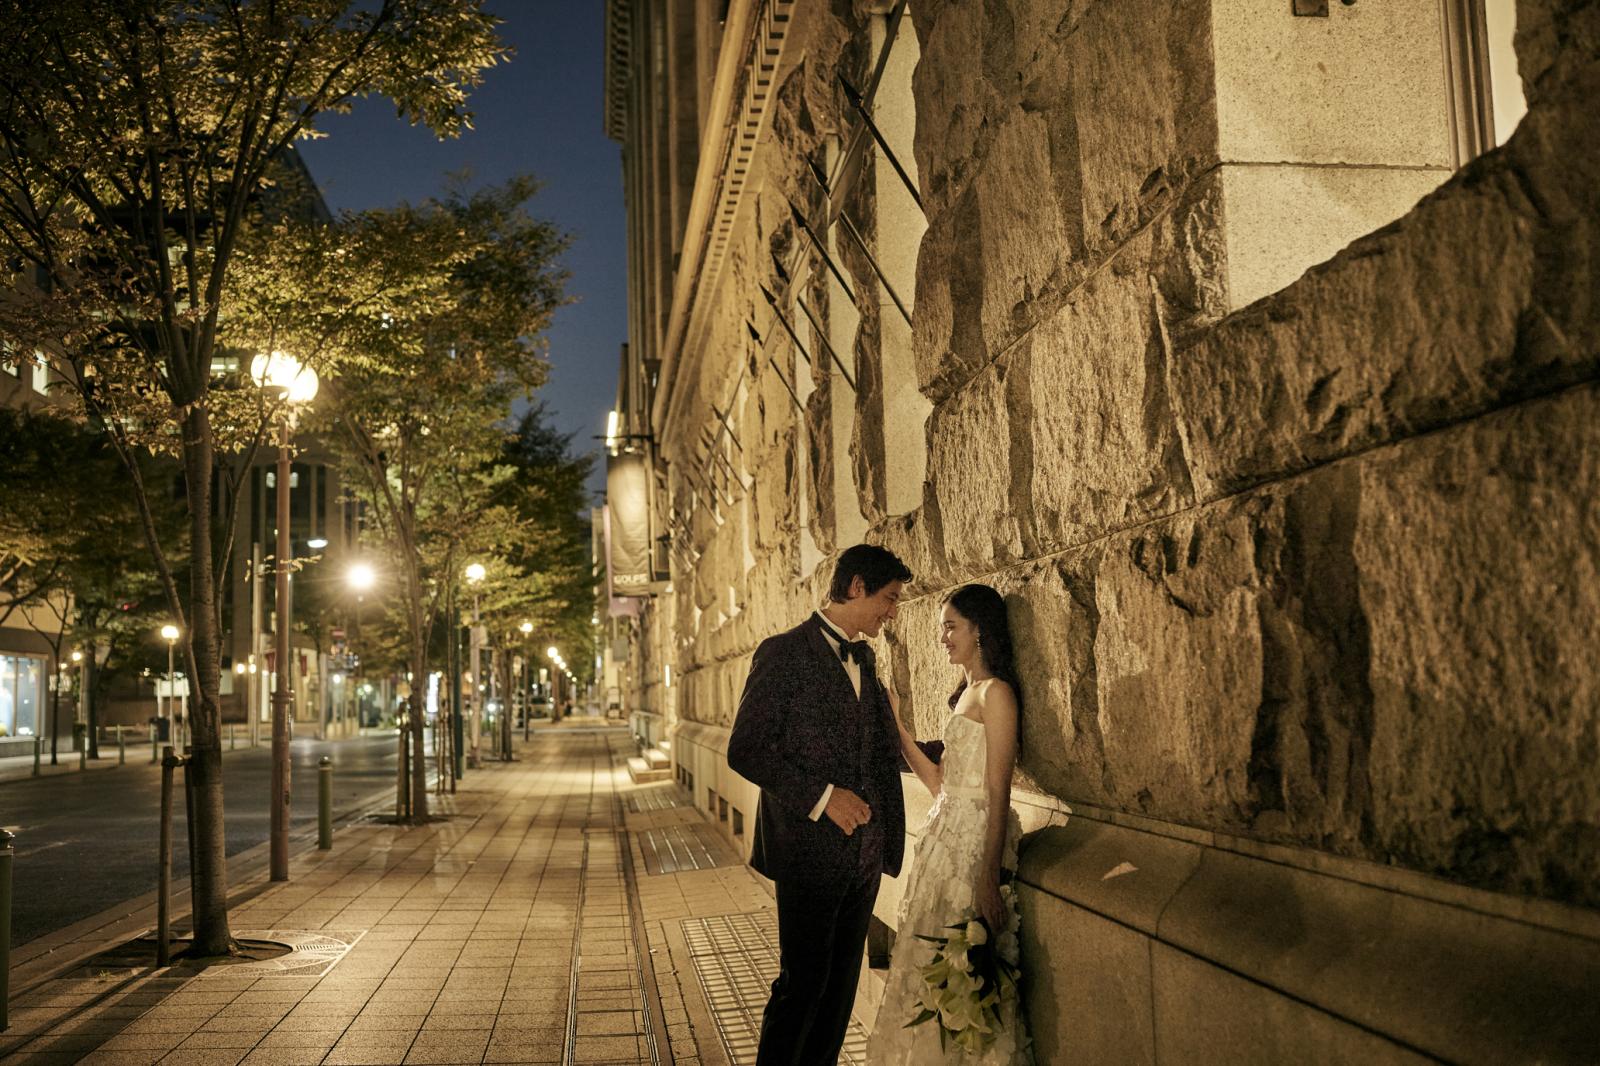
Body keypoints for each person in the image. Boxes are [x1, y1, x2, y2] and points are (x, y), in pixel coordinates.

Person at [727, 543, 913, 1066]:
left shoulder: (866, 658)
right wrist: (824, 798)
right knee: (803, 985)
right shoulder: (781, 653)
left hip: (864, 858)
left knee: (839, 994)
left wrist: (960, 748)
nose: (892, 612)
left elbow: (878, 750)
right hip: (808, 854)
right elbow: (746, 750)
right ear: (856, 587)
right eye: (889, 598)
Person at [867, 583, 1032, 1065]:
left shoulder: (997, 694)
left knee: (965, 974)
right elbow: (940, 783)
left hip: (973, 848)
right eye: (942, 628)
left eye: (950, 627)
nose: (942, 637)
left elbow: (998, 791)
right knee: (933, 971)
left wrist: (987, 876)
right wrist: (897, 726)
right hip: (943, 844)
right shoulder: (965, 696)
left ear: (979, 630)